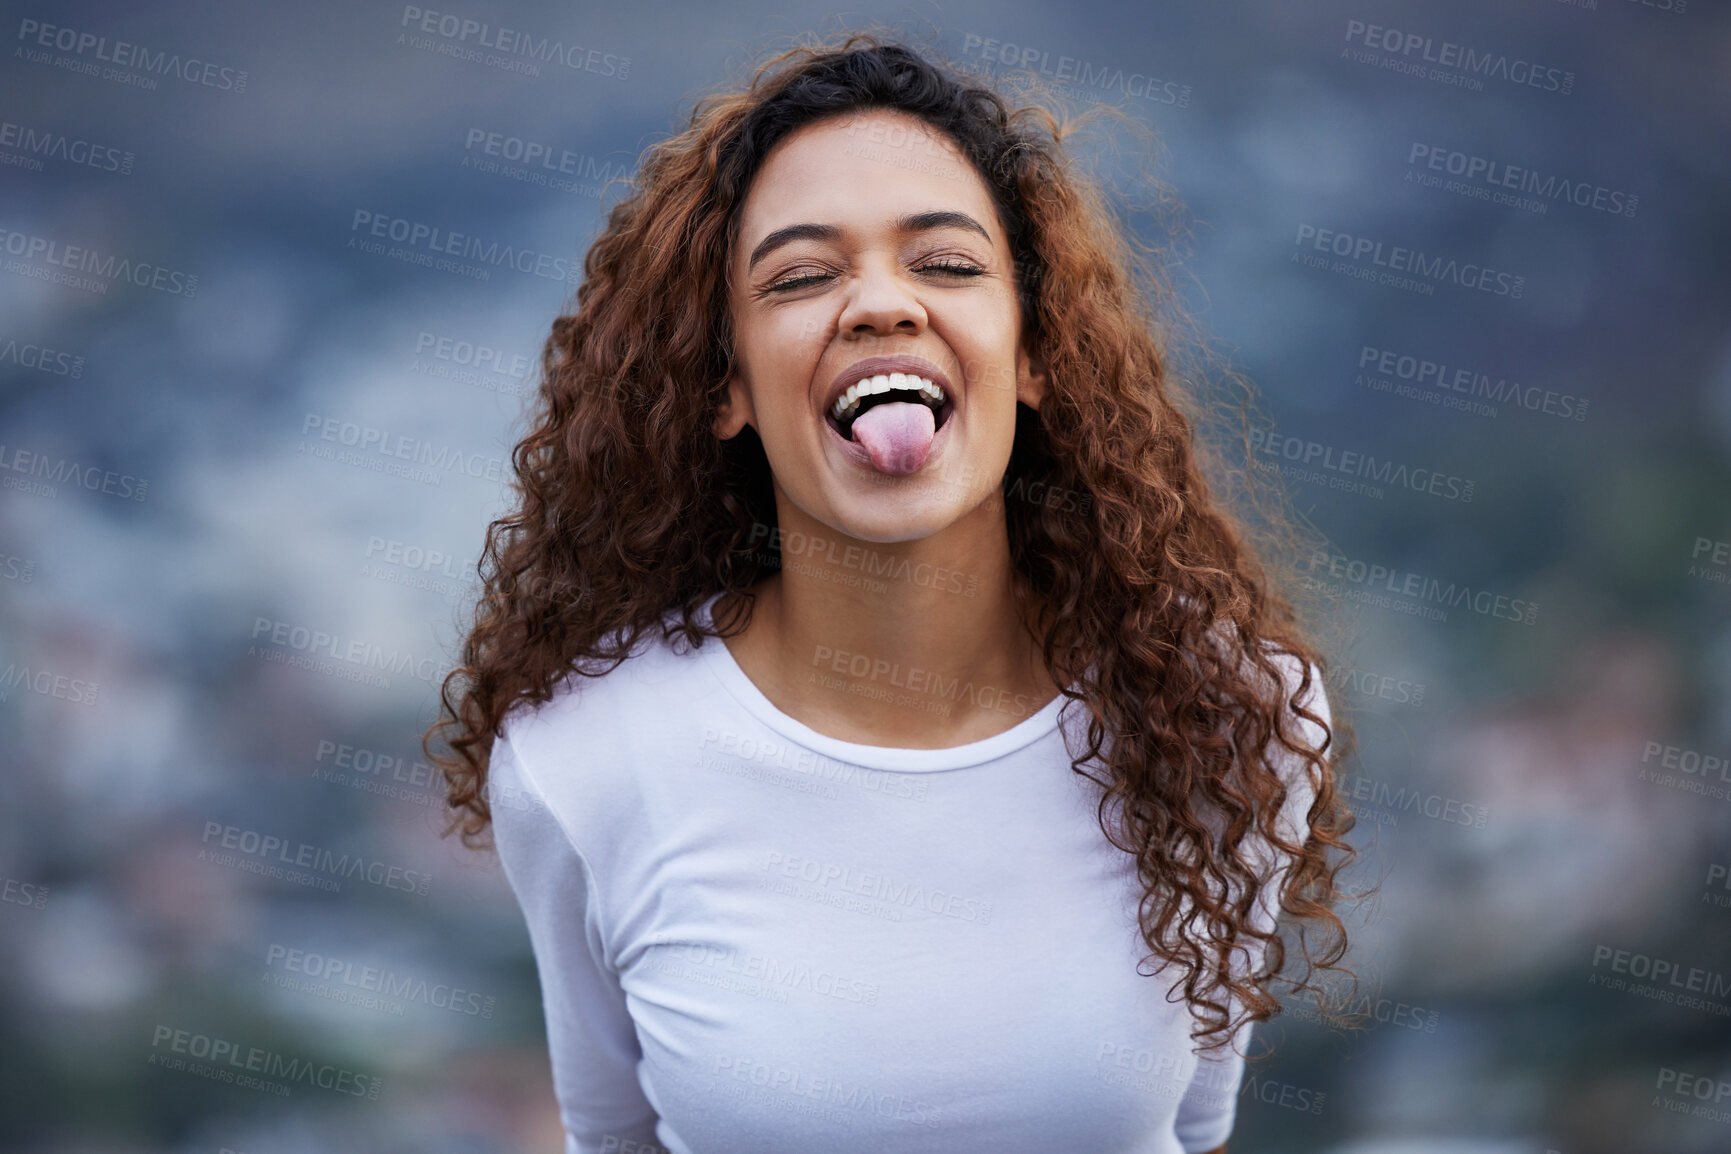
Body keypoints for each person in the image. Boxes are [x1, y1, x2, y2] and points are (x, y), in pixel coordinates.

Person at [427, 30, 1355, 1154]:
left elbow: (1195, 1129)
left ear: (1034, 353)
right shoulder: (585, 756)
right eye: (803, 275)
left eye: (949, 264)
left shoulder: (1236, 712)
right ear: (725, 384)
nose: (880, 305)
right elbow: (613, 1137)